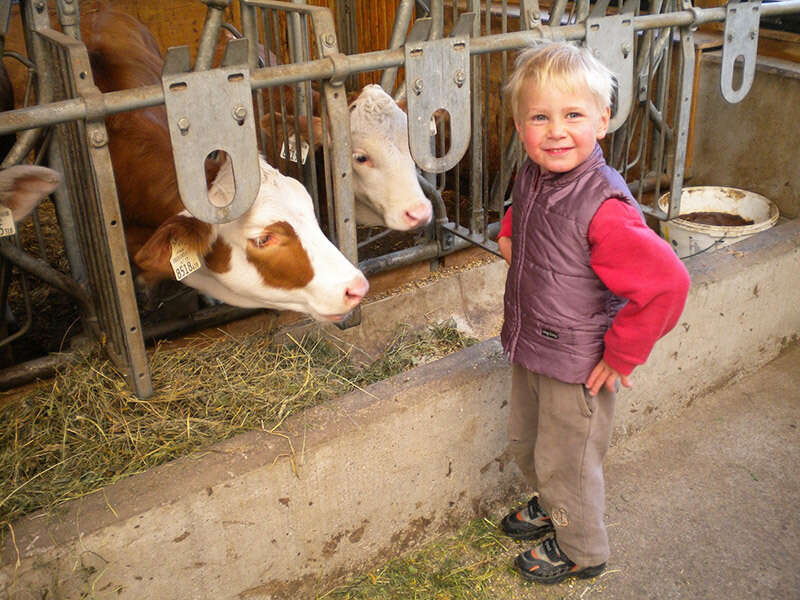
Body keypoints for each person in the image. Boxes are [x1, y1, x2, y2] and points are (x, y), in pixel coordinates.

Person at [495, 42, 690, 585]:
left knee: (570, 462)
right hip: (536, 341)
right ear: (520, 126)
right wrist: (509, 233)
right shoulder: (537, 173)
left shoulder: (603, 208)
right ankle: (552, 507)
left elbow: (668, 284)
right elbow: (521, 208)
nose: (556, 131)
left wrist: (622, 354)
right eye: (540, 117)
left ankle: (582, 547)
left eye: (573, 115)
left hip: (579, 362)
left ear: (603, 120)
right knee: (532, 441)